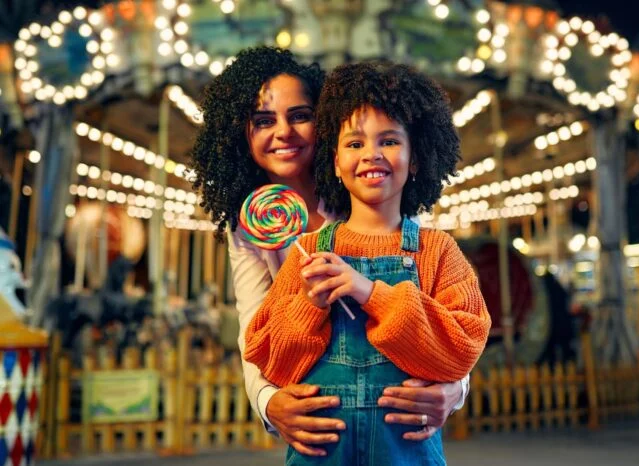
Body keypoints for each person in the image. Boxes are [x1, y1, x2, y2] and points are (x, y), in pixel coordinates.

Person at [190, 47, 471, 457]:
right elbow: (256, 332)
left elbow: (451, 320)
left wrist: (453, 388)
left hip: (401, 430)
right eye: (263, 120)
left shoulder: (370, 193)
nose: (283, 131)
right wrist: (270, 403)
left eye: (299, 115)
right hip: (325, 424)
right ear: (240, 133)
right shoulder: (251, 226)